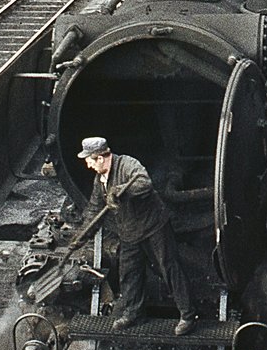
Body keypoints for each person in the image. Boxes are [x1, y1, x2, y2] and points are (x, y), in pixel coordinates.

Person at [78, 136, 196, 335]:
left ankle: (187, 315)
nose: (88, 165)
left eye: (89, 160)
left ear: (99, 158)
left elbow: (144, 184)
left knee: (169, 267)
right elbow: (94, 207)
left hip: (153, 226)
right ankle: (134, 313)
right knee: (129, 273)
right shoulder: (100, 180)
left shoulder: (128, 164)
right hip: (129, 231)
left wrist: (121, 192)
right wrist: (83, 232)